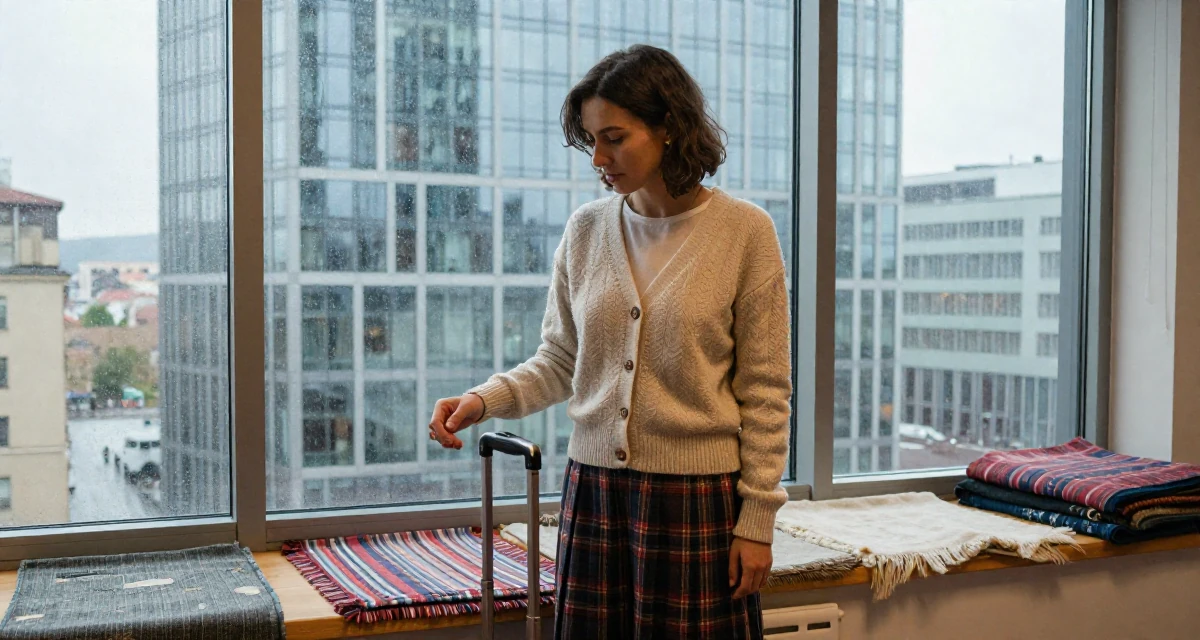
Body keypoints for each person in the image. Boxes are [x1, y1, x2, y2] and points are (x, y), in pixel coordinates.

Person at [428, 44, 791, 639]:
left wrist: (758, 520)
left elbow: (767, 392)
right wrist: (482, 401)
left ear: (669, 127)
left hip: (697, 501)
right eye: (592, 140)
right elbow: (560, 360)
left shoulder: (746, 233)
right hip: (595, 494)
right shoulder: (586, 230)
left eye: (615, 138)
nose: (599, 157)